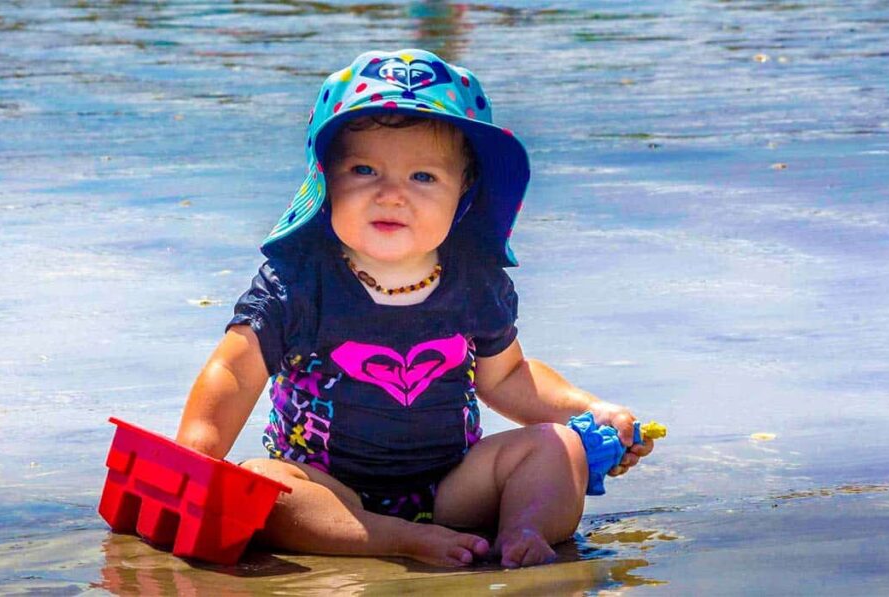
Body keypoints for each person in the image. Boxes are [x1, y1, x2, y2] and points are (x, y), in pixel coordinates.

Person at [176, 49, 654, 569]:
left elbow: (509, 376)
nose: (391, 195)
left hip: (451, 489)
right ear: (325, 180)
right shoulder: (299, 281)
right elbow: (233, 369)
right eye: (364, 170)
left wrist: (589, 411)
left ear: (464, 190)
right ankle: (389, 538)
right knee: (266, 486)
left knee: (556, 448)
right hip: (327, 488)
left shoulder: (474, 280)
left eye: (423, 177)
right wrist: (196, 457)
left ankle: (523, 532)